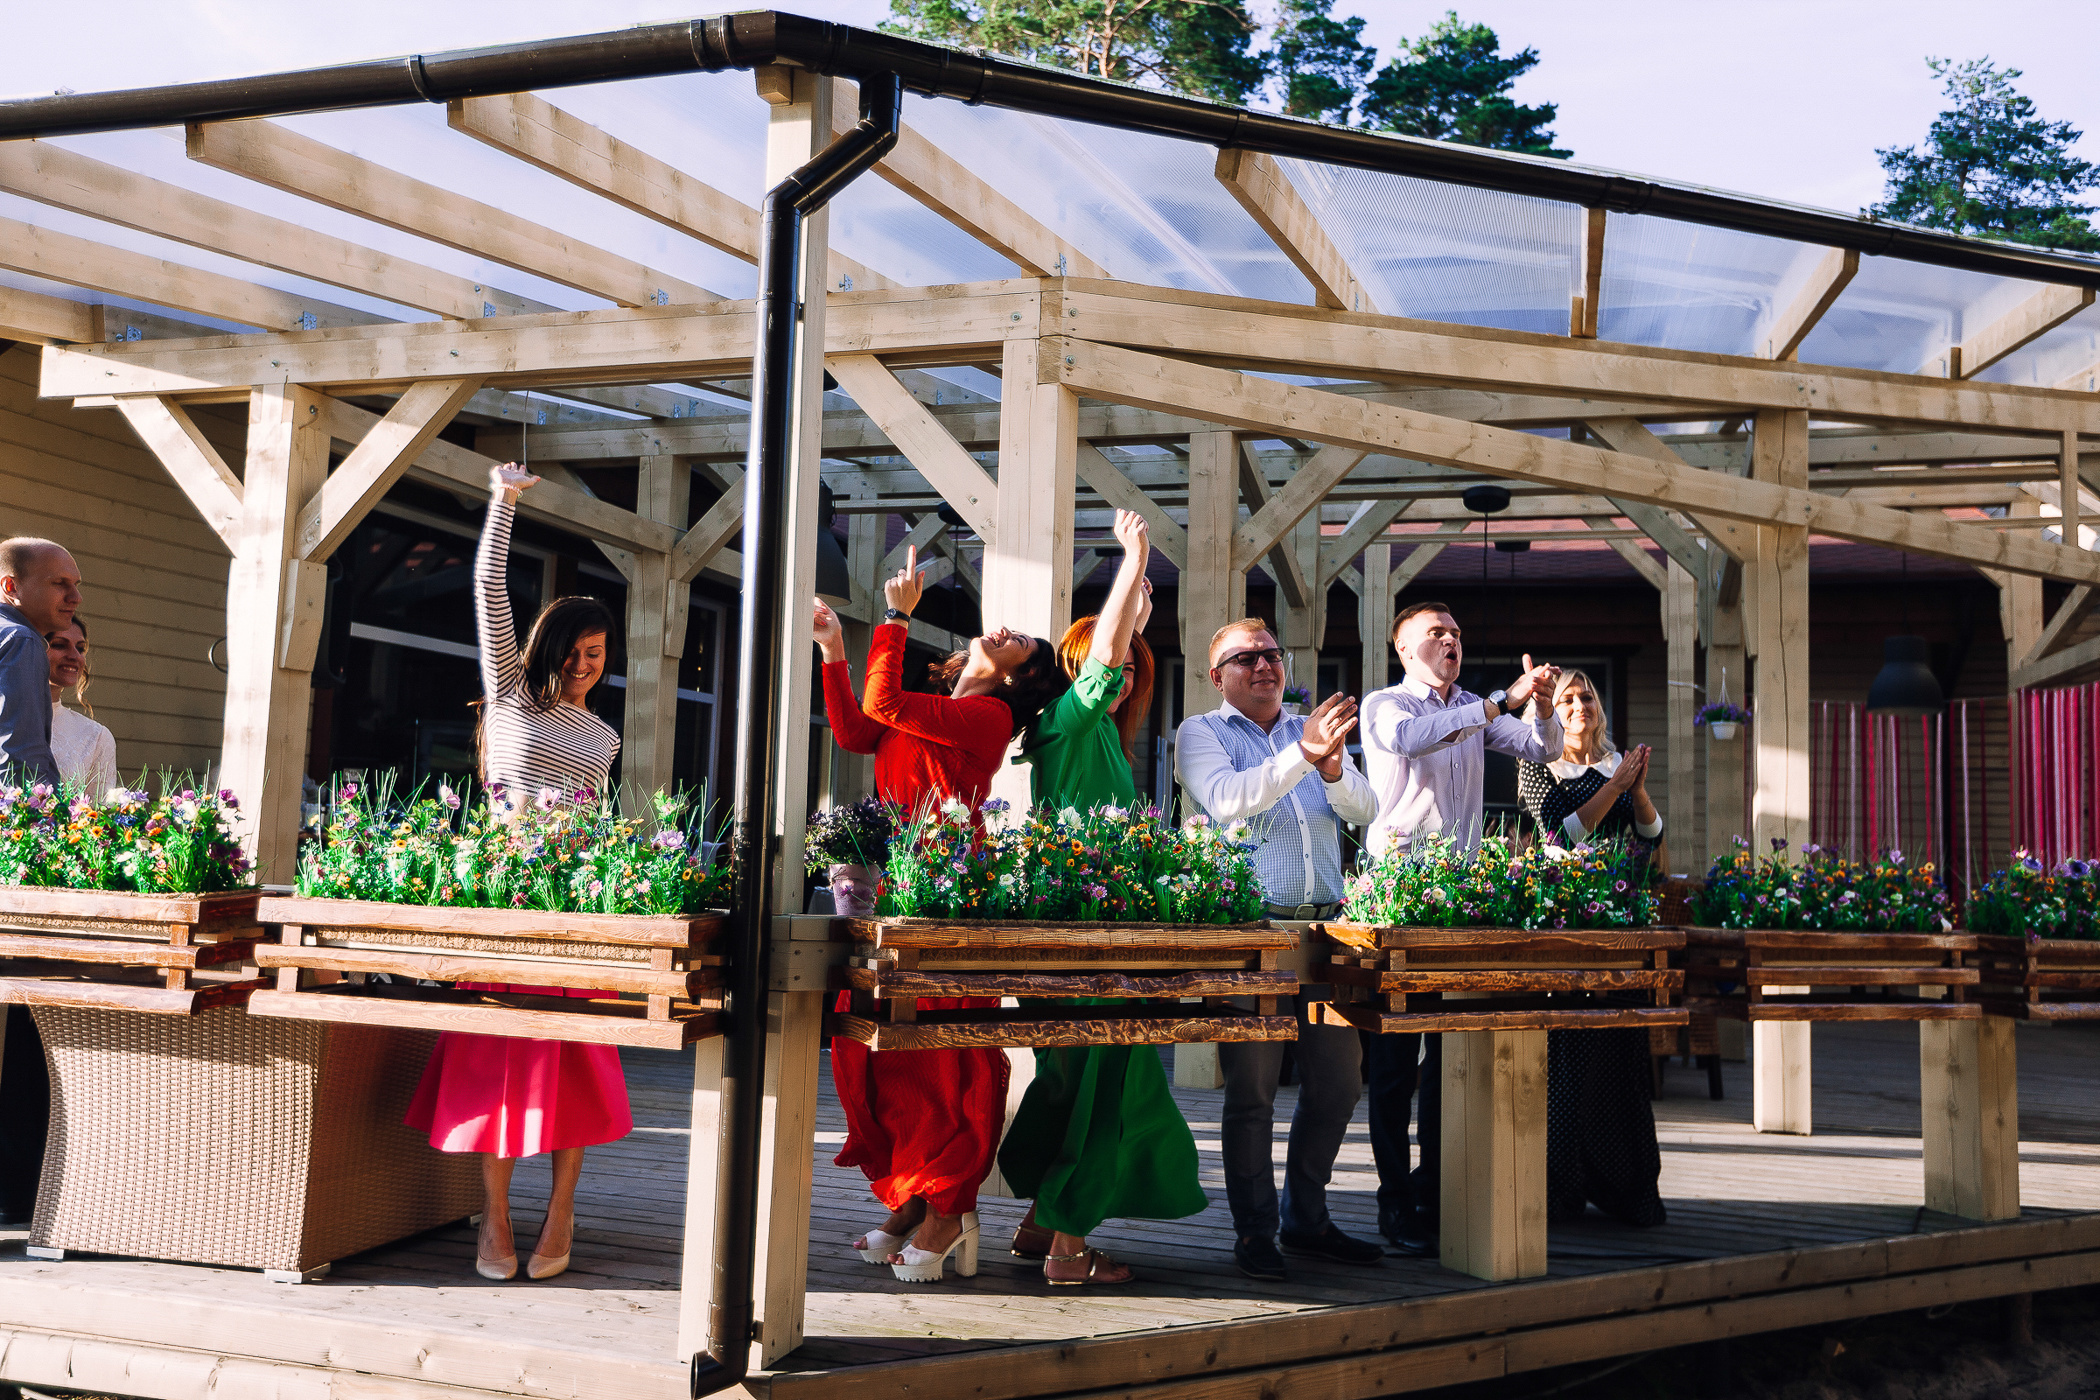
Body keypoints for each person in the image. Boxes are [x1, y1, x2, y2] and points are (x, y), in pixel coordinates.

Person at [814, 544, 1068, 1284]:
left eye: (1021, 642)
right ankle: (911, 1190)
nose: (1006, 631)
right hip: (890, 889)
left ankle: (951, 1207)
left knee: (945, 1053)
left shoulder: (986, 718)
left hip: (948, 895)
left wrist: (895, 618)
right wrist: (835, 650)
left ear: (1019, 676)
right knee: (872, 1047)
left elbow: (884, 704)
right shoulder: (939, 712)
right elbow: (861, 731)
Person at [404, 462, 630, 1284]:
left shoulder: (602, 739)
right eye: (572, 651)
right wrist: (501, 501)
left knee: (575, 1059)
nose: (583, 665)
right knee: (495, 1054)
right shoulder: (509, 693)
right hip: (504, 892)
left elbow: (600, 825)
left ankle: (560, 1210)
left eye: (597, 654)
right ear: (545, 649)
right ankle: (494, 1217)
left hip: (578, 899)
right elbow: (489, 584)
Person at [1001, 510, 1205, 1287]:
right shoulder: (1066, 721)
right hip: (1079, 940)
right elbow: (1108, 650)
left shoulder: (1104, 744)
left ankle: (1040, 1225)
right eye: (1108, 667)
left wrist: (1139, 600)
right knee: (1107, 1084)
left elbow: (1121, 644)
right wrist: (1133, 560)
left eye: (1129, 671)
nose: (1120, 676)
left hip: (1095, 936)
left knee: (1079, 1081)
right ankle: (1068, 1247)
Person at [1174, 618, 1384, 1282]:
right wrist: (1304, 756)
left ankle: (1307, 1216)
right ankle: (1257, 1230)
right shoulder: (1200, 733)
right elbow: (1229, 800)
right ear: (1218, 677)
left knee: (1340, 1081)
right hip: (1255, 939)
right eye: (1245, 658)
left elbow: (1365, 810)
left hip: (1329, 936)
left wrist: (1331, 767)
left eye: (1270, 654)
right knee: (1253, 1091)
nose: (1263, 665)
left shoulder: (1307, 729)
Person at [1358, 600, 1561, 1257]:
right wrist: (1502, 699)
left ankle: (1436, 1192)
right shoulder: (1387, 703)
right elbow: (1419, 739)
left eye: (1457, 633)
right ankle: (1393, 1203)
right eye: (1436, 633)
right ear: (1404, 649)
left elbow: (1542, 749)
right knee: (1393, 1066)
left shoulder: (1477, 705)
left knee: (1453, 1055)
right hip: (1399, 898)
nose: (1451, 641)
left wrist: (1545, 704)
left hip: (1459, 898)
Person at [1515, 670, 1668, 1229]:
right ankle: (1559, 1187)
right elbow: (1557, 837)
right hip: (1564, 922)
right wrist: (1617, 788)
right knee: (1567, 1055)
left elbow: (1652, 837)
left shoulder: (1617, 763)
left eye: (1586, 697)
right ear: (1553, 712)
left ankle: (1624, 1185)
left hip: (1618, 920)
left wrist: (1640, 791)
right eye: (1566, 699)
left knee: (1619, 1054)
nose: (1579, 705)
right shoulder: (1537, 763)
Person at [0, 536, 77, 1228]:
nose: (73, 599)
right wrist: (63, 839)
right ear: (9, 584)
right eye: (59, 584)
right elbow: (21, 757)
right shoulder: (19, 641)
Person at [47, 618, 117, 794]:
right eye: (59, 645)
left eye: (80, 648)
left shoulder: (95, 737)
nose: (74, 656)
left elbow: (99, 816)